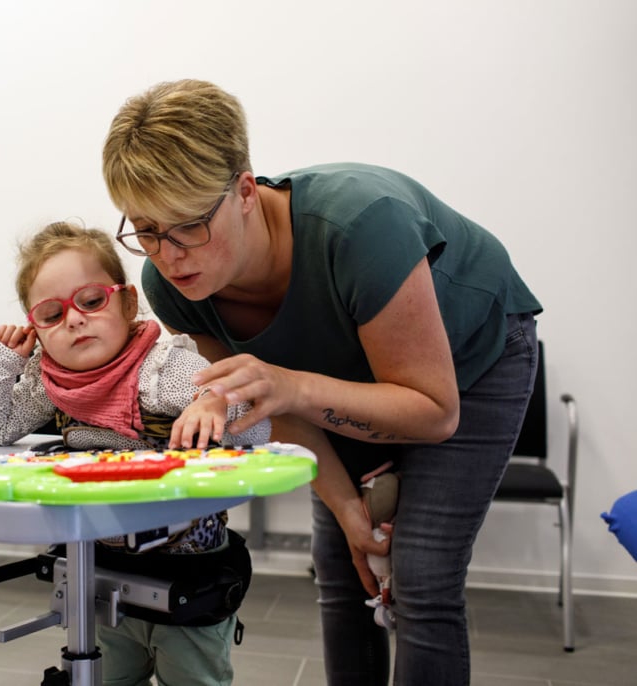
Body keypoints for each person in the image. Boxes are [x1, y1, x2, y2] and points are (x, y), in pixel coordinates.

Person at [102, 79, 543, 686]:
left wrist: (291, 386)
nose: (170, 255)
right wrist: (348, 512)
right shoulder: (169, 284)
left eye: (188, 225)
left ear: (246, 192)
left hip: (472, 363)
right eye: (146, 231)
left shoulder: (361, 225)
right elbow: (266, 402)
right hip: (338, 377)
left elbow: (433, 410)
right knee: (341, 568)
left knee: (421, 578)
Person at [0, 220, 270, 686]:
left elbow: (259, 426)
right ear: (37, 329)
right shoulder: (50, 384)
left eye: (91, 301)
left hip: (188, 572)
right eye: (51, 314)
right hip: (100, 568)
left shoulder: (160, 371)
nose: (74, 319)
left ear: (128, 303)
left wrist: (215, 401)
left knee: (192, 678)